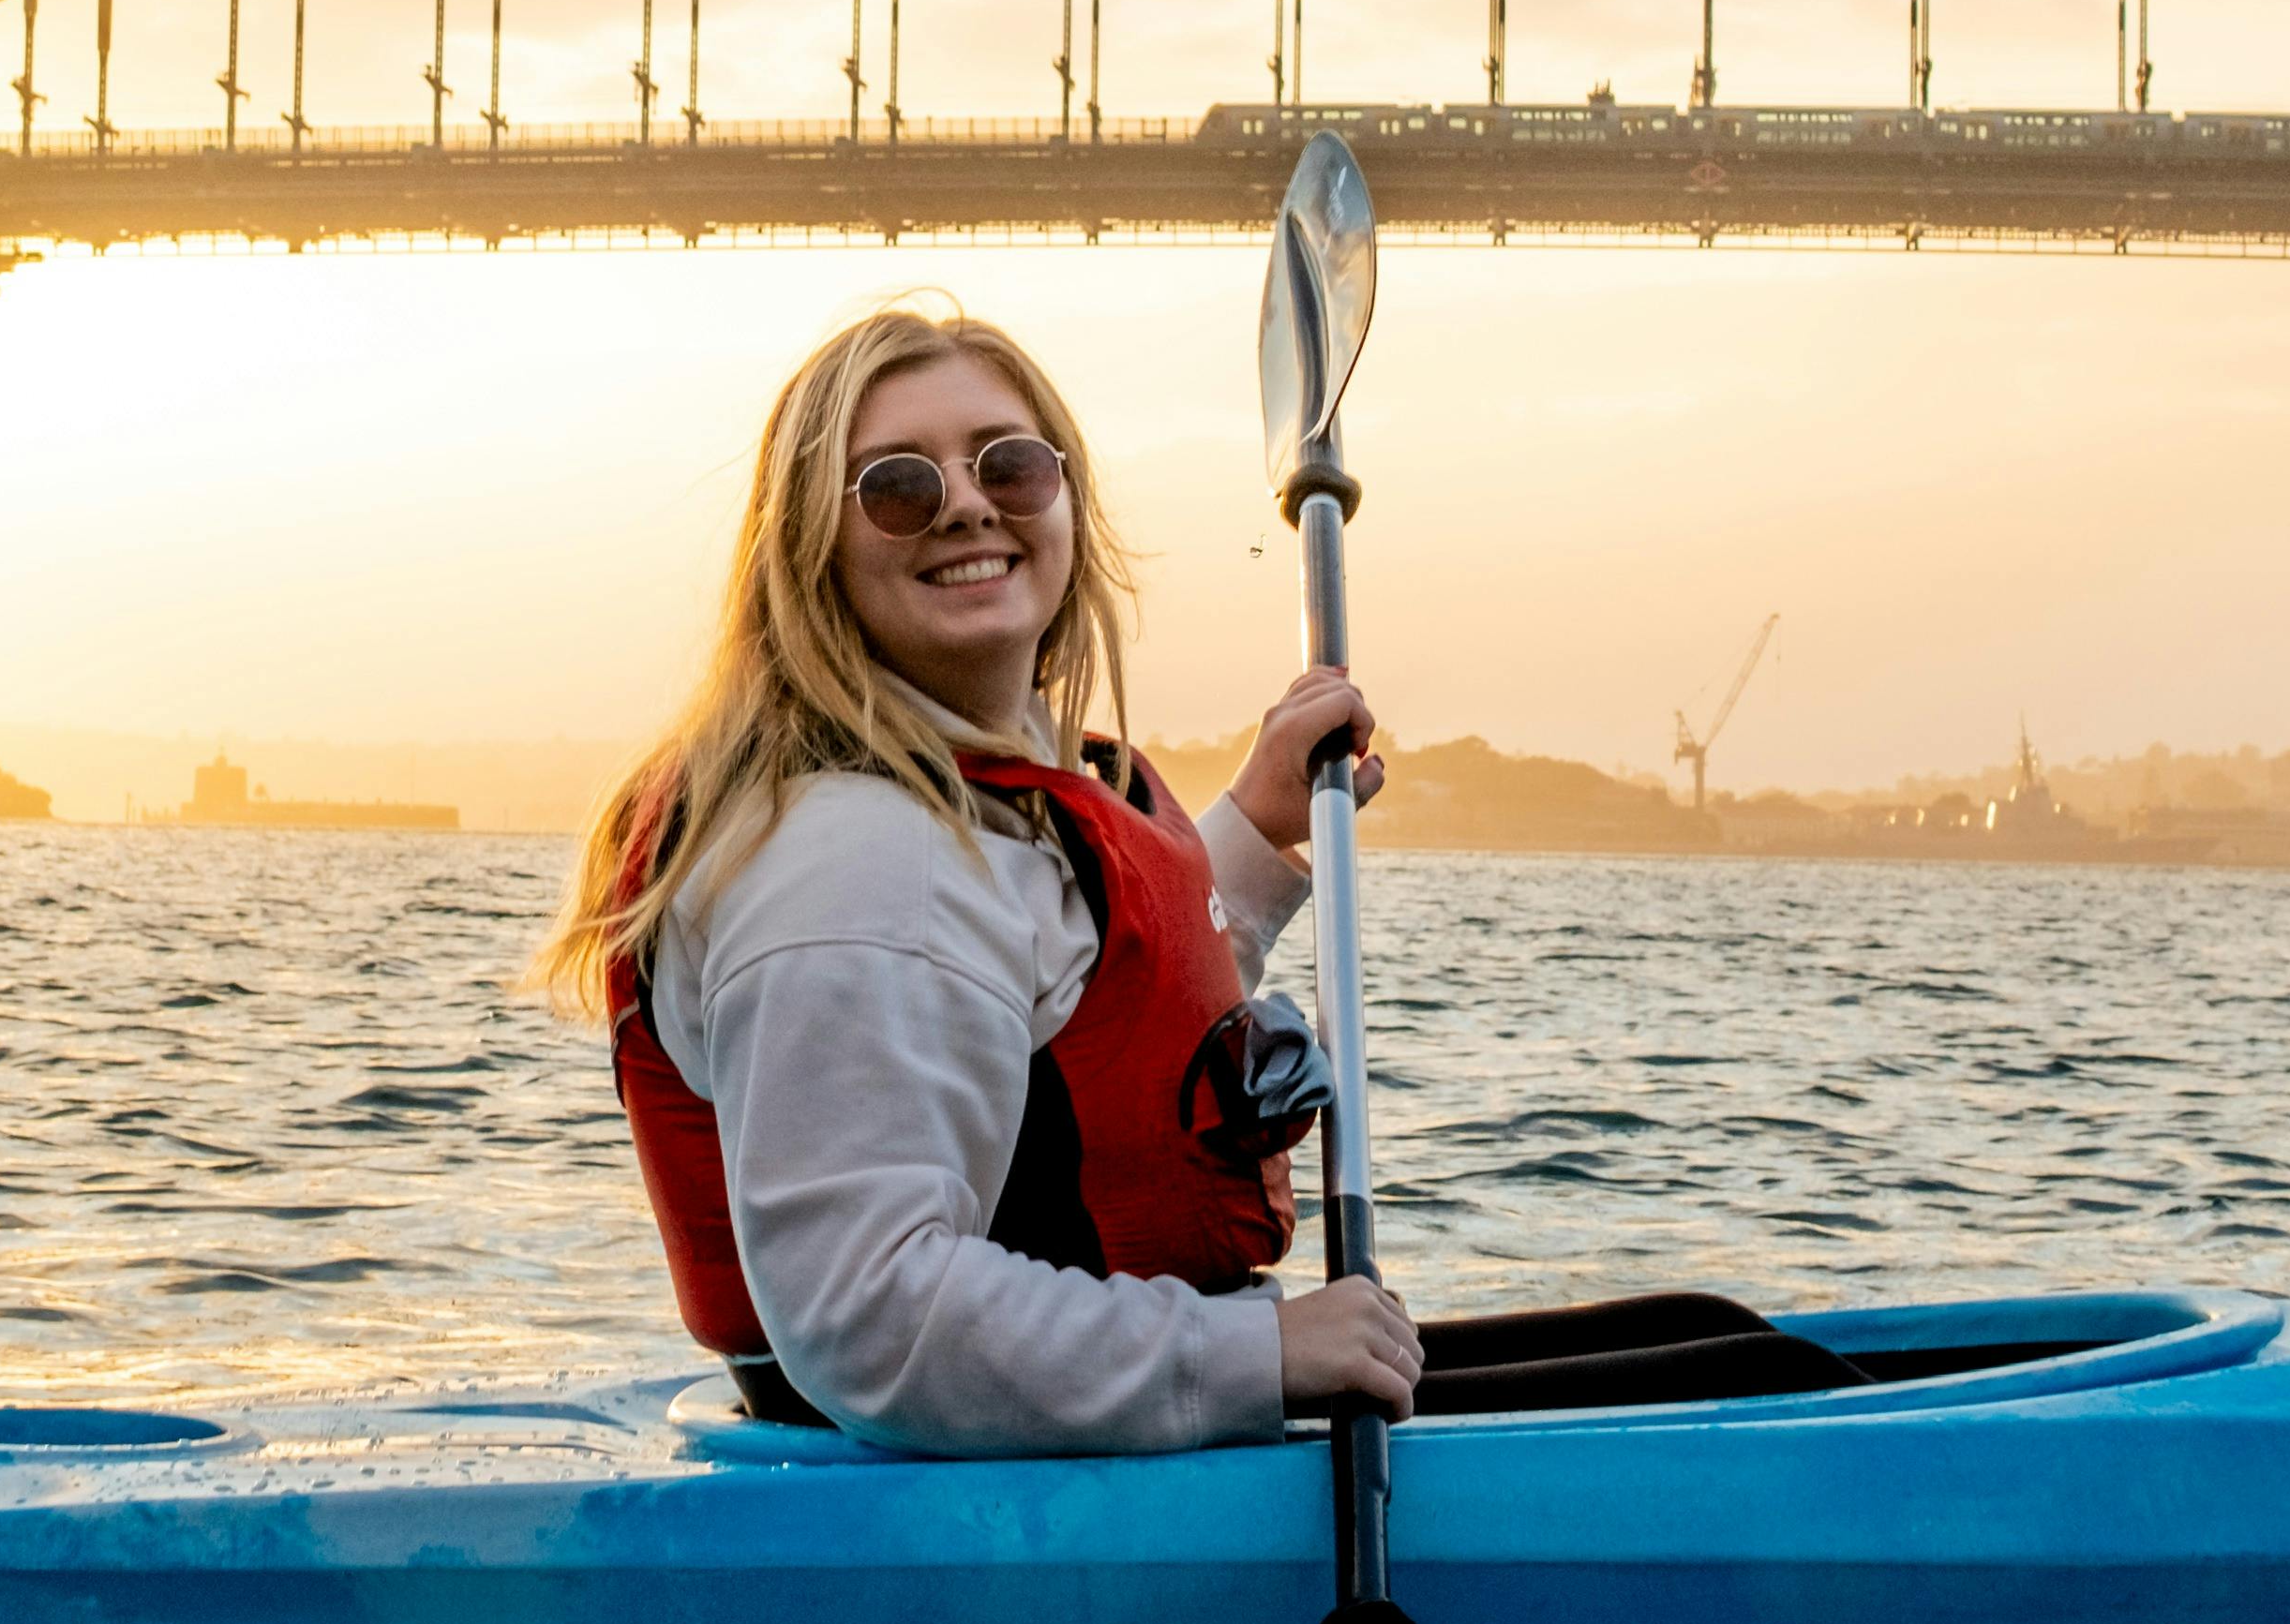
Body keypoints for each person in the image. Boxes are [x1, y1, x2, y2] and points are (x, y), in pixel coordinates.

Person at [529, 299, 1843, 1456]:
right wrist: (1262, 1359)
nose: (970, 504)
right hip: (943, 1475)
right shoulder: (849, 864)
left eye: (1010, 465)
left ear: (1066, 504)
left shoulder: (968, 804)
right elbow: (874, 1322)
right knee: (1751, 1382)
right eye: (899, 489)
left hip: (1051, 1420)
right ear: (814, 550)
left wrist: (1251, 837)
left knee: (1713, 1335)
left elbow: (1064, 1020)